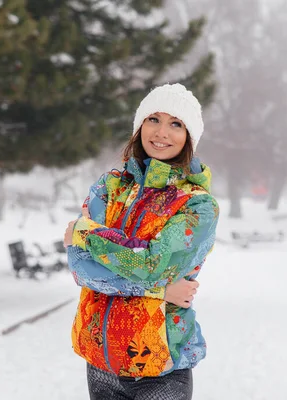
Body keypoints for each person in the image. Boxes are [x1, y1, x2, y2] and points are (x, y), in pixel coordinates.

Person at [63, 83, 219, 400]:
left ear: (189, 137)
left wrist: (87, 233)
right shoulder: (109, 187)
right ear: (139, 126)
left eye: (176, 124)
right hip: (101, 362)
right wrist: (160, 291)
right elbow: (81, 269)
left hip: (160, 369)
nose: (162, 132)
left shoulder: (197, 205)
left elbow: (152, 264)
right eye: (153, 119)